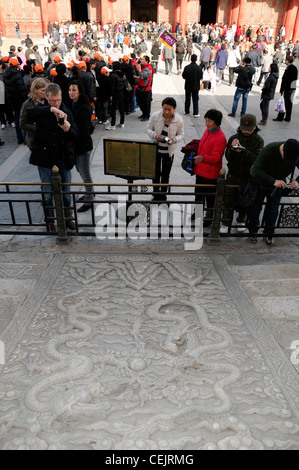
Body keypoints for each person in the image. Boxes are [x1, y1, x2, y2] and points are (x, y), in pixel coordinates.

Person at [26, 83, 78, 232]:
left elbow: (76, 135)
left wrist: (68, 129)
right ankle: (49, 220)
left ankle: (68, 217)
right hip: (45, 160)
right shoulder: (42, 110)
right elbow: (28, 115)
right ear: (46, 98)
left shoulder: (66, 110)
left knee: (66, 193)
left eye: (58, 100)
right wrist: (50, 109)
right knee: (48, 193)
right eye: (52, 101)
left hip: (63, 158)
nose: (56, 103)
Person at [247, 139, 299, 246]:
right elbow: (255, 170)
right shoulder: (269, 150)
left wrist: (297, 181)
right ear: (283, 149)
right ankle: (253, 231)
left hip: (278, 183)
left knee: (273, 209)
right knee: (256, 207)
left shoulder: (296, 153)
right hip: (261, 181)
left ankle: (269, 233)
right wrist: (273, 181)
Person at [220, 114, 264, 233]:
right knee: (228, 199)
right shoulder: (234, 138)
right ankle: (225, 222)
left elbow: (257, 159)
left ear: (254, 127)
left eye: (248, 129)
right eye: (243, 129)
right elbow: (228, 156)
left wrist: (243, 151)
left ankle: (241, 220)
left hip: (248, 176)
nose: (245, 131)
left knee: (245, 200)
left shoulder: (258, 141)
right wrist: (233, 150)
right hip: (233, 174)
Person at [193, 109, 227, 227]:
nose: (207, 123)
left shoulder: (220, 138)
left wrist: (203, 158)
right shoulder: (208, 131)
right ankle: (197, 213)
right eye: (206, 120)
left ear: (217, 122)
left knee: (210, 197)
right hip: (200, 170)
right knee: (198, 194)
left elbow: (216, 158)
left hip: (210, 173)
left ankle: (209, 216)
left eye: (210, 121)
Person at [146, 97, 184, 202]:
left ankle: (163, 196)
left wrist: (173, 140)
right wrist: (154, 135)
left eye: (169, 110)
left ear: (174, 109)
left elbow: (181, 135)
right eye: (164, 109)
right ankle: (155, 195)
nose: (166, 112)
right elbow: (148, 129)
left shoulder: (178, 120)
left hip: (168, 152)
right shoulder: (155, 116)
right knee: (155, 174)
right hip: (156, 150)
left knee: (165, 175)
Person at [68, 80, 94, 212]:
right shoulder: (74, 103)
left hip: (82, 144)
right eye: (70, 90)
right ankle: (89, 192)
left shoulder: (83, 107)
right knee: (80, 171)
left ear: (80, 92)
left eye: (74, 90)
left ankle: (89, 199)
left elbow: (83, 129)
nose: (71, 92)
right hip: (77, 144)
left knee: (85, 172)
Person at [3, 58, 27, 144]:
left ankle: (19, 137)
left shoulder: (6, 74)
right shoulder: (17, 74)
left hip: (12, 100)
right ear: (17, 65)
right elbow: (21, 89)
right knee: (23, 118)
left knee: (17, 118)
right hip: (19, 100)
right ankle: (25, 137)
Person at [20, 77, 48, 150]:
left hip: (47, 139)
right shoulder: (27, 104)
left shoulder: (47, 101)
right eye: (43, 91)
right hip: (35, 140)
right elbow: (22, 124)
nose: (45, 93)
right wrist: (37, 128)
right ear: (35, 90)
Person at [273, 56, 298, 123]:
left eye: (286, 61)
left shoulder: (289, 69)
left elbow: (285, 80)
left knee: (283, 103)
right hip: (292, 88)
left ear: (287, 61)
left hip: (287, 89)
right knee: (289, 103)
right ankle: (288, 117)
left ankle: (280, 117)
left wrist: (283, 90)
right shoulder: (295, 68)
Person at [105, 61, 125, 131]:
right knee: (121, 109)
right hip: (121, 93)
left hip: (115, 94)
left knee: (113, 109)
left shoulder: (113, 75)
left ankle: (112, 125)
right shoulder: (122, 74)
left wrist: (111, 95)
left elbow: (112, 86)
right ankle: (122, 123)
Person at [134, 55, 155, 122]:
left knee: (146, 103)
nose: (141, 61)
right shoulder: (144, 67)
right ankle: (144, 113)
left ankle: (146, 115)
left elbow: (143, 76)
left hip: (146, 89)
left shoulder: (148, 68)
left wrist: (139, 70)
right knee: (141, 102)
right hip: (141, 87)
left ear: (146, 61)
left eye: (143, 60)